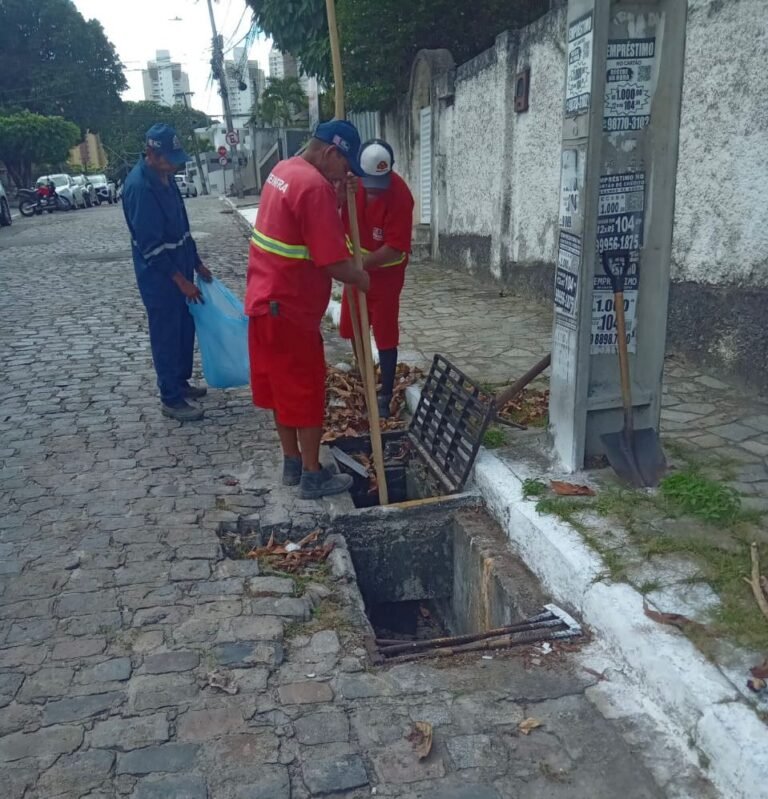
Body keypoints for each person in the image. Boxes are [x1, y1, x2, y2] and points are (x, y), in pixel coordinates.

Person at [245, 120, 370, 500]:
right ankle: (313, 475)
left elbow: (305, 225)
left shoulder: (284, 170)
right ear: (330, 152)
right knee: (306, 392)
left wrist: (337, 196)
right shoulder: (314, 187)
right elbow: (332, 261)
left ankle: (292, 461)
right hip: (291, 310)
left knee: (280, 390)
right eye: (345, 165)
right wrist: (361, 278)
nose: (346, 174)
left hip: (263, 301)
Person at [122, 124, 212, 422]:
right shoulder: (139, 188)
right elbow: (151, 246)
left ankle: (180, 382)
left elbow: (183, 228)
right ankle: (170, 397)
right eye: (169, 160)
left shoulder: (167, 178)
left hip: (182, 265)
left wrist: (196, 263)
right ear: (151, 154)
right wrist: (181, 281)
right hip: (160, 278)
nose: (174, 165)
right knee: (166, 335)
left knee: (184, 329)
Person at [339, 138, 414, 417]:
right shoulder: (351, 184)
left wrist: (360, 266)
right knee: (354, 325)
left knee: (384, 331)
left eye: (379, 186)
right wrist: (341, 194)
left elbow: (395, 247)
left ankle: (384, 393)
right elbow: (334, 212)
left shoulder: (400, 195)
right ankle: (365, 376)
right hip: (355, 272)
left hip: (386, 276)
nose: (374, 193)